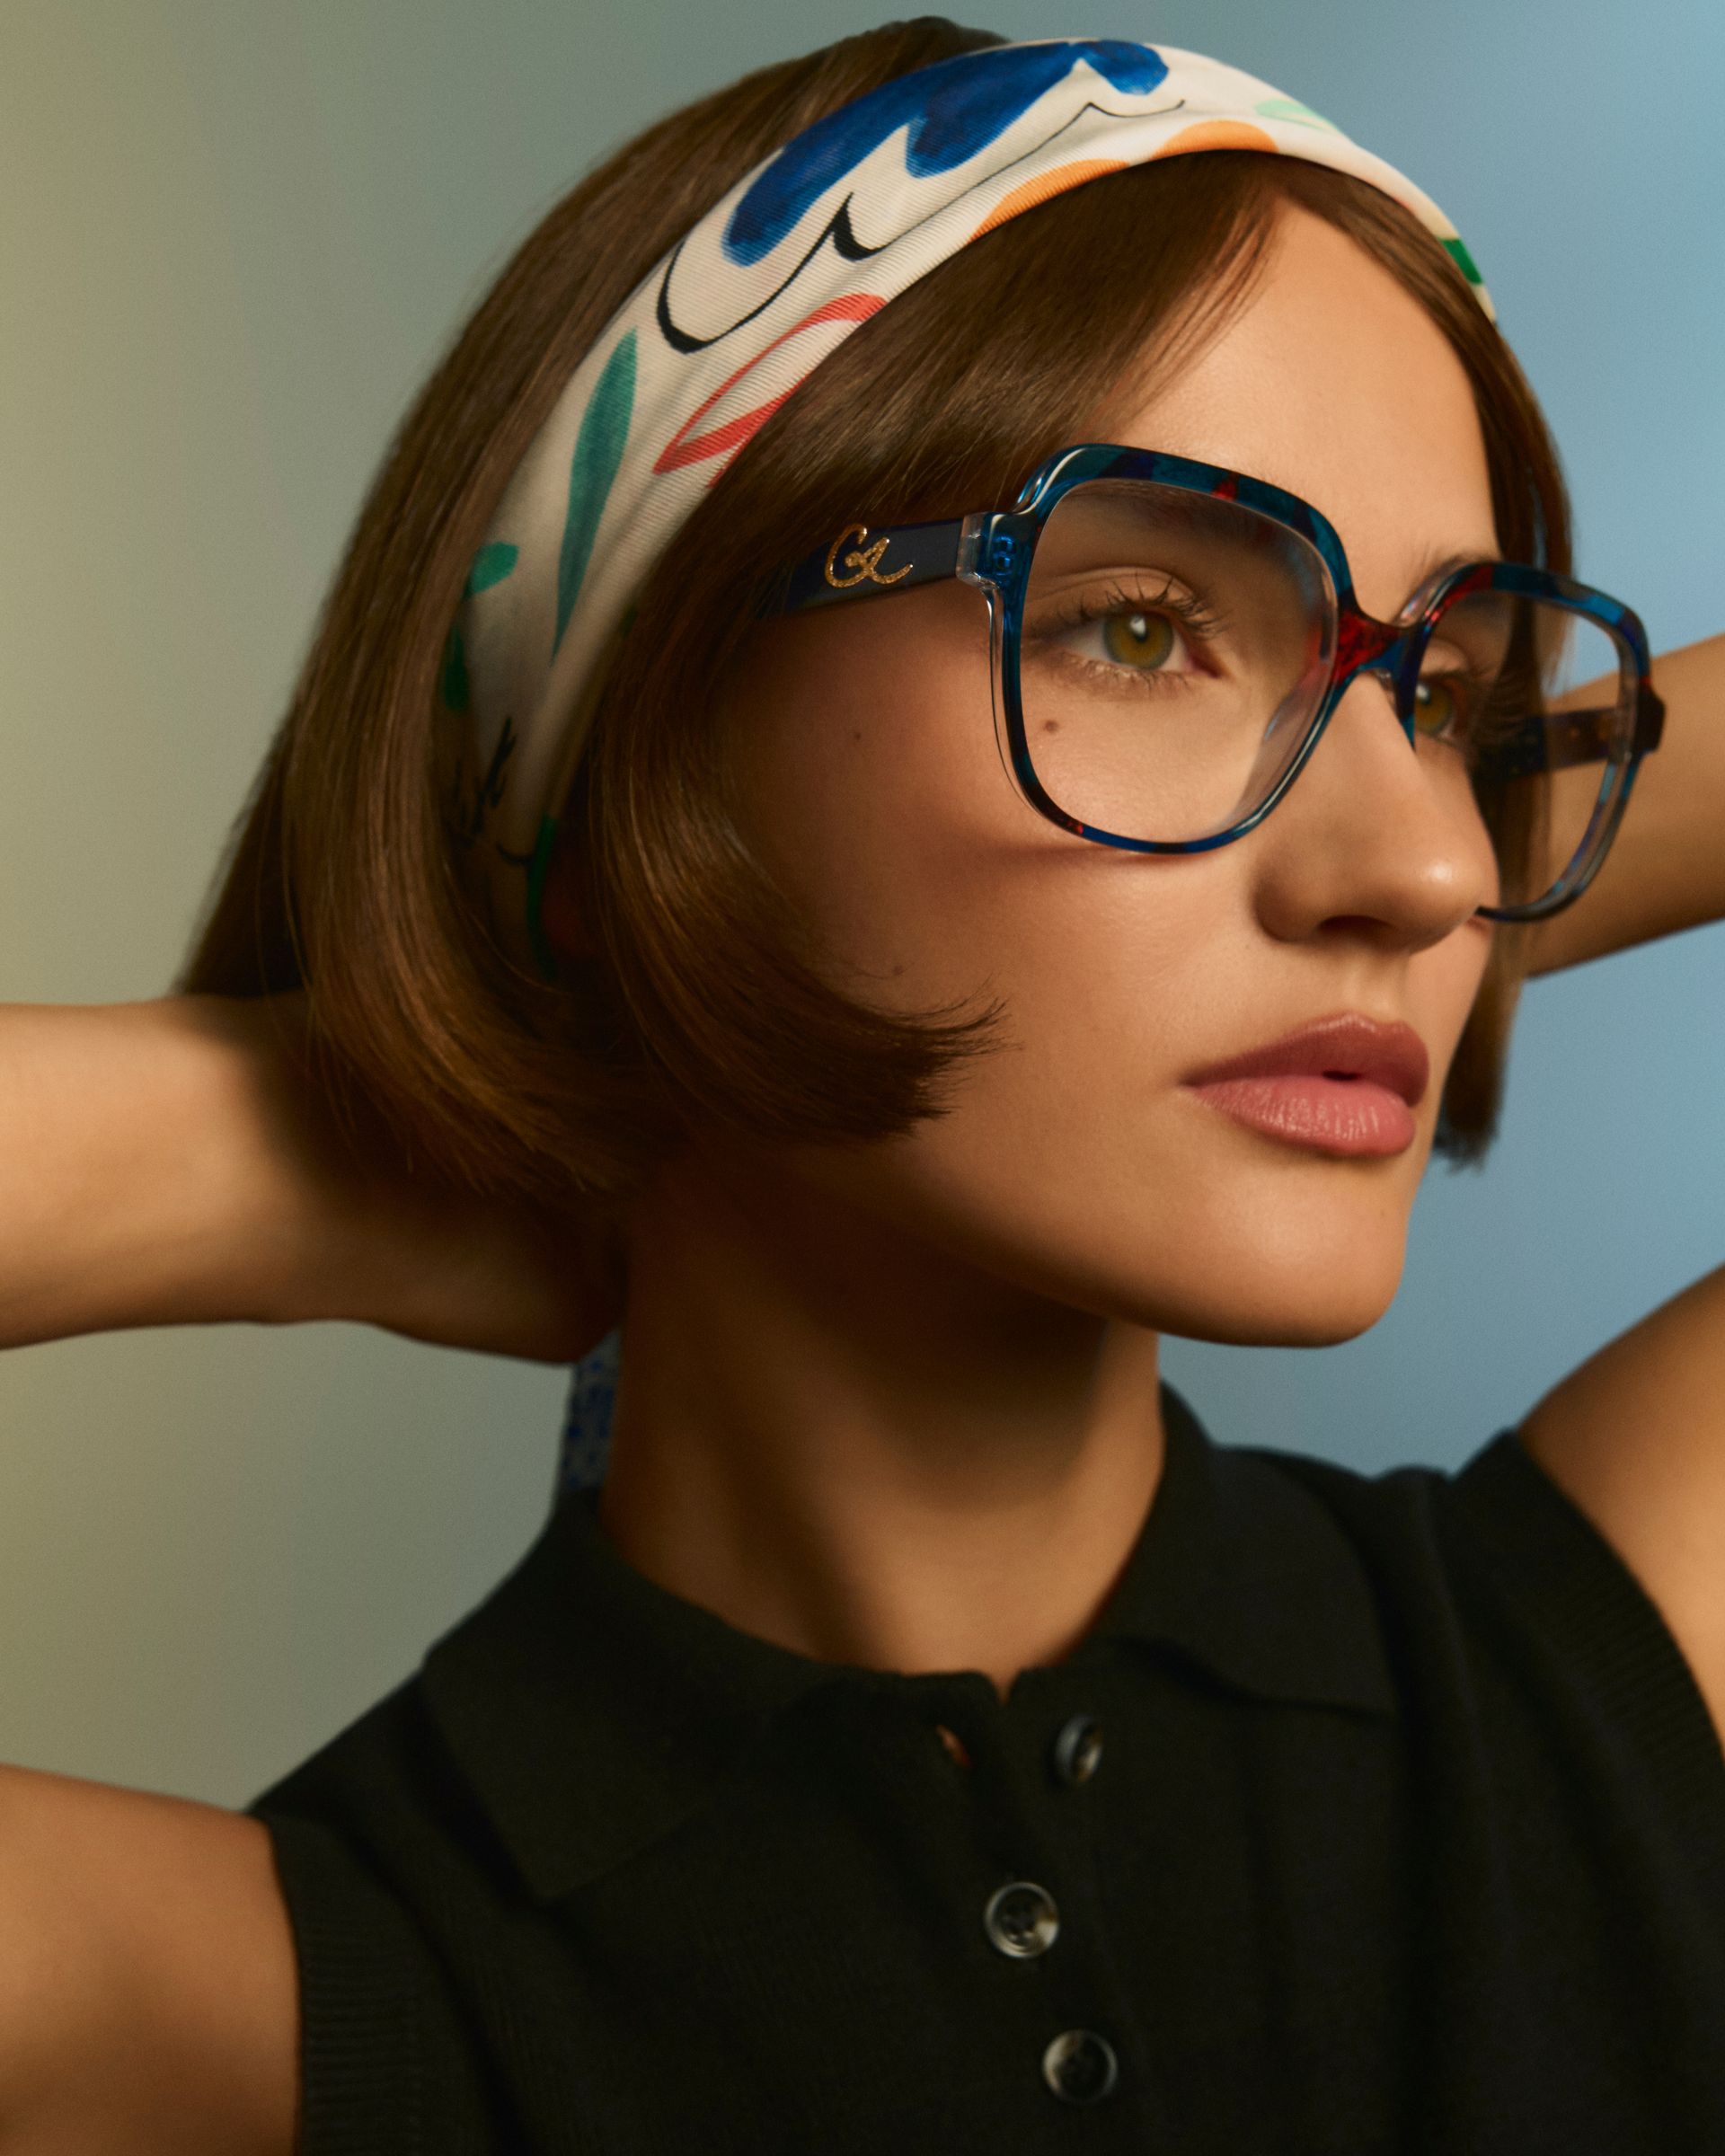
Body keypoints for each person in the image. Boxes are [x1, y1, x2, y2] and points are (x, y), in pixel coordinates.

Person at [1, 18, 1721, 2152]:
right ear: (652, 746)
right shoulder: (240, 2005)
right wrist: (351, 1132)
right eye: (1140, 627)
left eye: (1449, 696)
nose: (1432, 858)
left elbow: (1431, 861)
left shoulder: (1616, 1680)